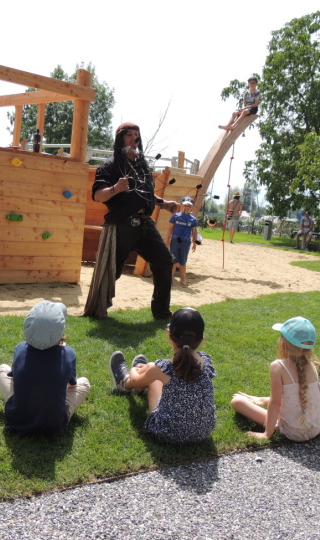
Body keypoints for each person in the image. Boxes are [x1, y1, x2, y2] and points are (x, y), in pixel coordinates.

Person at [83, 122, 179, 319]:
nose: (134, 139)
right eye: (129, 135)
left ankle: (161, 312)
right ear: (120, 139)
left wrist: (163, 203)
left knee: (164, 261)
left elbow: (146, 194)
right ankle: (97, 311)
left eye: (137, 135)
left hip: (145, 223)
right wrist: (115, 189)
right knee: (112, 270)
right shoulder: (109, 166)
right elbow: (98, 196)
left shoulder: (142, 166)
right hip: (121, 224)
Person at [109, 308, 216, 444]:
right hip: (203, 432)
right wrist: (150, 369)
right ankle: (141, 380)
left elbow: (136, 380)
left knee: (152, 378)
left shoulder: (164, 368)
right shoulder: (206, 361)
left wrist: (136, 369)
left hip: (168, 433)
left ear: (169, 334)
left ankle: (123, 383)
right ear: (201, 339)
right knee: (155, 374)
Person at [230, 317, 320, 441]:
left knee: (237, 401)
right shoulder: (312, 367)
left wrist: (267, 433)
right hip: (315, 428)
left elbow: (276, 403)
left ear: (283, 342)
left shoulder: (278, 366)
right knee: (294, 396)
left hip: (292, 431)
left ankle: (257, 401)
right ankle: (259, 399)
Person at [0, 300, 90, 435]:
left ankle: (18, 406)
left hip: (17, 419)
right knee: (84, 383)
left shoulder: (20, 348)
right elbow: (71, 386)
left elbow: (16, 377)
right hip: (55, 423)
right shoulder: (68, 354)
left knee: (2, 370)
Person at [168, 196, 199, 287]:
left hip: (186, 242)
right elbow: (170, 229)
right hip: (175, 241)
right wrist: (167, 240)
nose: (187, 207)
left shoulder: (193, 219)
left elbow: (194, 231)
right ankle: (170, 279)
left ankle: (183, 280)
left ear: (191, 207)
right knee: (173, 261)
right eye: (185, 205)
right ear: (182, 205)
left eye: (189, 206)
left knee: (183, 262)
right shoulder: (175, 216)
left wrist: (194, 242)